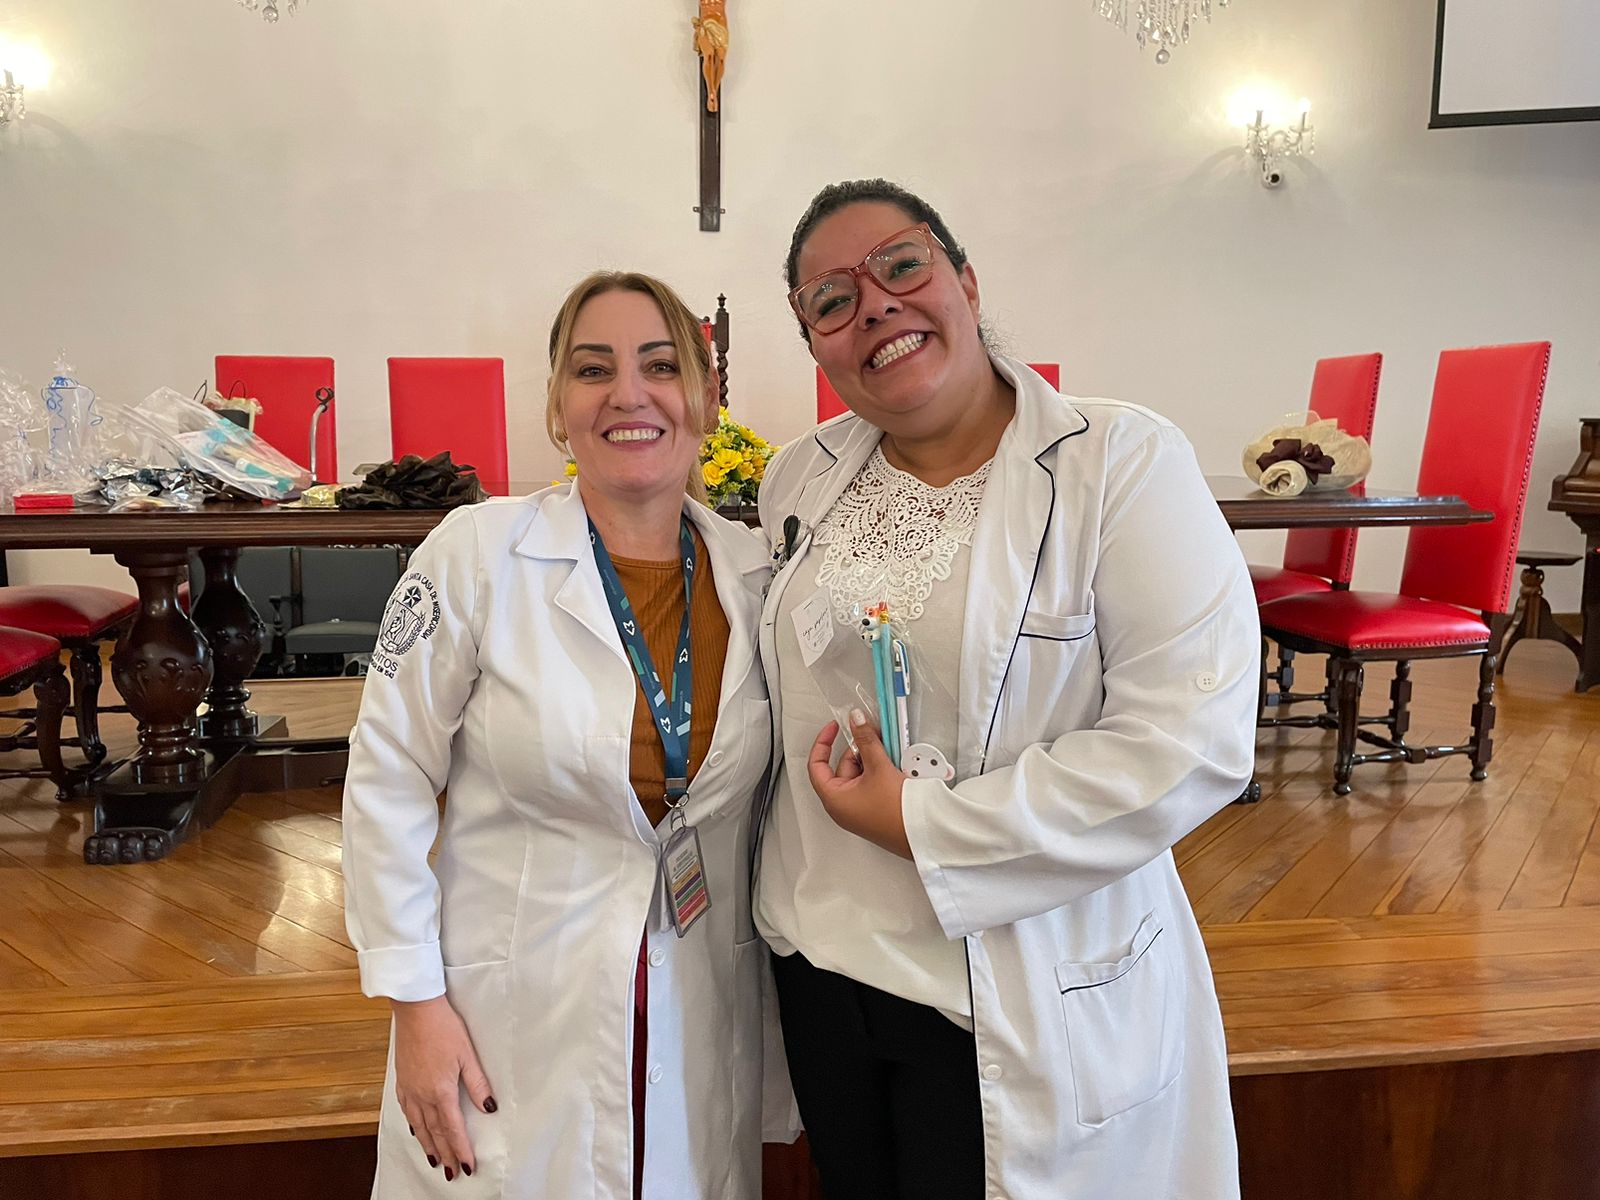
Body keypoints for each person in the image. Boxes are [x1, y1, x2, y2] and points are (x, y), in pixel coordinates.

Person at [754, 179, 1258, 1200]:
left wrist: (923, 824)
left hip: (1006, 988)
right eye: (832, 301)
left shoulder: (1120, 463)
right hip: (820, 967)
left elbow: (1188, 743)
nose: (876, 305)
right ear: (816, 347)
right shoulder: (796, 477)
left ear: (966, 281)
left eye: (902, 265)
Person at [343, 271, 785, 1198]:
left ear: (705, 397)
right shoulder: (476, 554)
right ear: (557, 405)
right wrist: (414, 1002)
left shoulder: (756, 576)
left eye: (659, 366)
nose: (628, 394)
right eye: (593, 369)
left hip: (697, 1006)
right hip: (510, 1015)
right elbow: (387, 775)